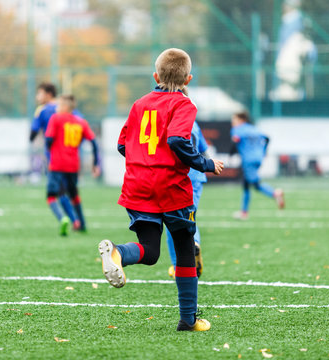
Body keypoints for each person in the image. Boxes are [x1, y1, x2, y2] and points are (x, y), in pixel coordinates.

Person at [98, 48, 224, 332]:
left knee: (150, 251)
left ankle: (118, 252)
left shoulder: (140, 103)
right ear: (188, 79)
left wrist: (143, 161)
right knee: (184, 251)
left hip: (138, 186)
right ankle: (188, 319)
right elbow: (178, 139)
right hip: (171, 188)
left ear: (155, 76)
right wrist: (204, 163)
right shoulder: (184, 105)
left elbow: (122, 144)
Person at [30, 82, 91, 231]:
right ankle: (78, 222)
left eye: (39, 93)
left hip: (53, 158)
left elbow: (33, 133)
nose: (37, 97)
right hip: (71, 157)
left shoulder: (42, 110)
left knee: (57, 192)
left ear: (48, 94)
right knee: (71, 191)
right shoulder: (68, 108)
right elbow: (81, 124)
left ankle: (70, 219)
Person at [45, 95, 100, 236]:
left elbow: (49, 139)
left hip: (57, 164)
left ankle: (62, 217)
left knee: (51, 196)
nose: (56, 108)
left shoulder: (56, 118)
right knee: (73, 195)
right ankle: (81, 223)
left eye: (58, 105)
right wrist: (95, 163)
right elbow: (93, 142)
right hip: (73, 165)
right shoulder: (81, 122)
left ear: (65, 107)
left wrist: (49, 156)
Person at [166, 121, 208, 279]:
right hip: (196, 176)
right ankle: (195, 242)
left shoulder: (168, 119)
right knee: (190, 215)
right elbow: (204, 150)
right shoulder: (194, 122)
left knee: (173, 219)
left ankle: (177, 265)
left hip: (177, 175)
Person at [230, 111, 284, 220]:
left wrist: (231, 153)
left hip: (248, 159)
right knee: (246, 184)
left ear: (241, 120)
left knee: (255, 184)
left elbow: (235, 140)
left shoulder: (237, 130)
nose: (233, 122)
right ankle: (244, 212)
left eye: (234, 119)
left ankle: (274, 193)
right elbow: (267, 138)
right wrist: (264, 151)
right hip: (258, 158)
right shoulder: (254, 128)